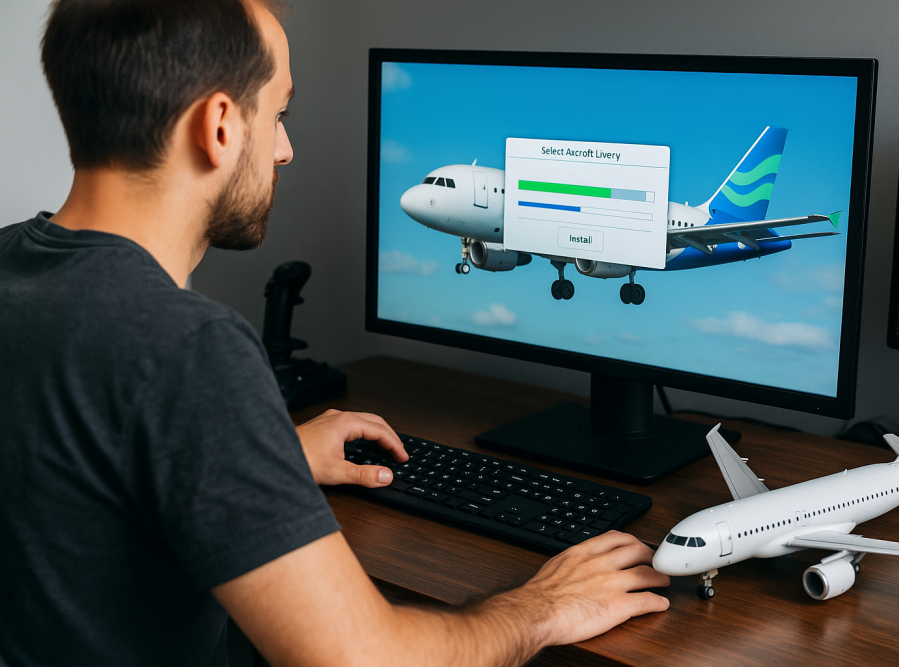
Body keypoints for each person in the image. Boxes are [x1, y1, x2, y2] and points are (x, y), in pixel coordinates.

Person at [0, 1, 671, 665]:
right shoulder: (187, 347)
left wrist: (265, 452)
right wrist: (545, 606)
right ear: (221, 126)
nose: (286, 150)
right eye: (279, 114)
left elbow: (68, 478)